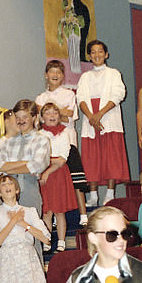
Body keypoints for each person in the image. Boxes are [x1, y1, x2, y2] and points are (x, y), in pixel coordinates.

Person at [76, 40, 130, 207]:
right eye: (93, 52)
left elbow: (118, 94)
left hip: (108, 119)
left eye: (100, 51)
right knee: (92, 158)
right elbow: (81, 98)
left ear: (106, 54)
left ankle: (110, 193)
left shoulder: (114, 73)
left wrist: (99, 114)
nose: (97, 55)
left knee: (111, 157)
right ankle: (93, 195)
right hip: (90, 120)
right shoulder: (85, 77)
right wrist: (91, 116)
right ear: (89, 56)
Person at [36, 59, 88, 222]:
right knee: (48, 181)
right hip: (47, 145)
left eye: (59, 72)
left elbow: (68, 116)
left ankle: (83, 215)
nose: (55, 75)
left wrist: (51, 110)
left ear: (63, 75)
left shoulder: (69, 94)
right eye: (52, 71)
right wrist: (60, 111)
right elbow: (44, 118)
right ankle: (49, 218)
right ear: (46, 75)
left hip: (68, 142)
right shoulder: (40, 97)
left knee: (76, 178)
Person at [0, 98, 50, 215]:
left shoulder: (41, 140)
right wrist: (25, 163)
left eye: (25, 117)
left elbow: (37, 165)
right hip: (7, 192)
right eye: (17, 117)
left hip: (28, 190)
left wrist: (8, 169)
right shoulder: (8, 142)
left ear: (33, 117)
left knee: (30, 229)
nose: (21, 121)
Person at [38, 101, 77, 253]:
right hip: (44, 173)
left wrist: (48, 166)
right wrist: (47, 163)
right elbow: (41, 157)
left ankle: (61, 241)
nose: (52, 115)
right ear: (42, 118)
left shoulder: (64, 133)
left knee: (60, 211)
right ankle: (47, 240)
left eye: (55, 112)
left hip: (59, 175)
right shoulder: (39, 135)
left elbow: (62, 159)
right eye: (48, 113)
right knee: (47, 211)